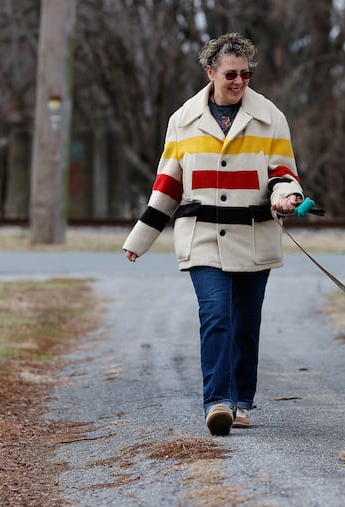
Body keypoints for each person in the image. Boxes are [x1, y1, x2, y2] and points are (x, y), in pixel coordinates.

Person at [122, 33, 304, 436]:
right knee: (216, 315)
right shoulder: (182, 121)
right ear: (210, 72)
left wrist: (287, 197)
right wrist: (140, 239)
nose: (239, 82)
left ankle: (241, 401)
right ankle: (217, 401)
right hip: (201, 236)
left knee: (245, 323)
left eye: (245, 74)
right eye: (230, 74)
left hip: (255, 236)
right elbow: (168, 184)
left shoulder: (271, 117)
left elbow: (282, 172)